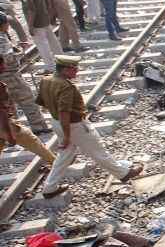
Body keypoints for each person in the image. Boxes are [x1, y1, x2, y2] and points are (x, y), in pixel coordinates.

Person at [36, 55, 143, 198]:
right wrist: (67, 135)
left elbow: (42, 101)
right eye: (75, 69)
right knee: (98, 149)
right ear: (66, 70)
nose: (77, 72)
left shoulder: (46, 80)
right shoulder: (66, 86)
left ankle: (49, 188)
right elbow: (64, 112)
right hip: (73, 125)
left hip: (58, 124)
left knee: (63, 157)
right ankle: (123, 173)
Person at [0, 54, 55, 164]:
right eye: (4, 63)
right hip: (3, 124)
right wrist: (9, 134)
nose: (6, 65)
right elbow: (1, 111)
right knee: (31, 140)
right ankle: (57, 162)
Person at [0, 14, 50, 133]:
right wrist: (20, 53)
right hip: (9, 76)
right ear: (3, 25)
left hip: (3, 77)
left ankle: (14, 131)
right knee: (27, 100)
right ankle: (39, 127)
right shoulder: (1, 39)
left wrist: (14, 47)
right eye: (7, 23)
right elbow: (6, 58)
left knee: (8, 105)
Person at [11, 0, 61, 73]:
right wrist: (50, 16)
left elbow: (31, 9)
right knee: (53, 41)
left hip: (37, 23)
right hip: (45, 19)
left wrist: (30, 25)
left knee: (42, 45)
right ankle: (63, 60)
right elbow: (47, 3)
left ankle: (50, 67)